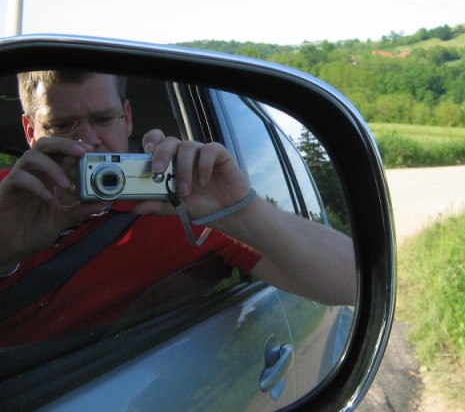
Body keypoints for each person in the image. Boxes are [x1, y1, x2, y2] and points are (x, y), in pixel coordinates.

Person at [0, 71, 356, 346]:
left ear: (127, 117)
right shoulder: (7, 197)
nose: (87, 141)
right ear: (30, 131)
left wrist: (238, 210)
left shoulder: (181, 208)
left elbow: (354, 282)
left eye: (103, 119)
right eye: (61, 125)